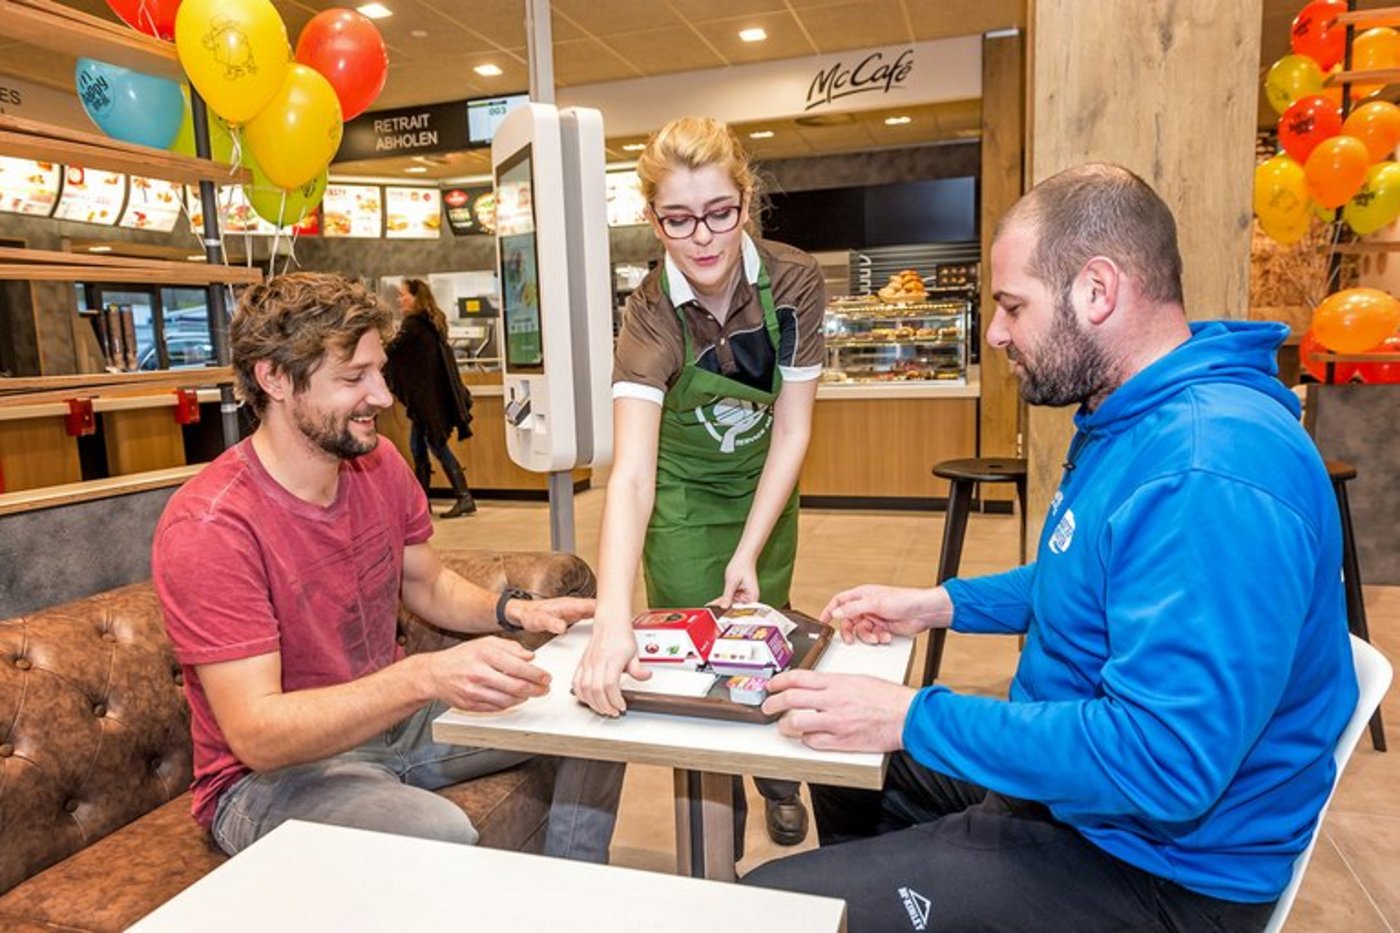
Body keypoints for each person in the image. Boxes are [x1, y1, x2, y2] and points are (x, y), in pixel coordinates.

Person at [742, 163, 1357, 932]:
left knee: (766, 906)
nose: (996, 332)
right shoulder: (1131, 416)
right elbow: (1088, 575)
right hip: (1083, 803)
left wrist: (911, 714)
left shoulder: (1211, 468)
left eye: (1012, 305)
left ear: (1097, 291)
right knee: (848, 768)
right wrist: (939, 604)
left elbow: (1163, 763)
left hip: (1157, 871)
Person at [152, 272, 622, 862]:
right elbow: (258, 733)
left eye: (378, 370)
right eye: (354, 378)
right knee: (437, 834)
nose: (382, 395)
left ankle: (572, 895)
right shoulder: (211, 526)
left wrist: (516, 610)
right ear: (273, 378)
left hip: (394, 726)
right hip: (268, 778)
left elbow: (428, 584)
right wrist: (421, 677)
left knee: (600, 708)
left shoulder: (379, 464)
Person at [572, 116, 826, 847]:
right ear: (653, 219)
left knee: (763, 637)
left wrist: (748, 549)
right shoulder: (649, 316)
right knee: (694, 661)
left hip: (763, 489)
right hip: (680, 499)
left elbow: (793, 429)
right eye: (678, 219)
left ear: (745, 201)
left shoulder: (794, 280)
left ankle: (778, 775)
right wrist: (613, 615)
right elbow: (632, 477)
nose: (704, 237)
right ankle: (720, 845)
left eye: (720, 212)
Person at [385, 278, 477, 518]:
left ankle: (458, 498)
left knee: (434, 446)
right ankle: (426, 502)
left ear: (415, 297)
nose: (399, 299)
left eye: (403, 294)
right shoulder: (431, 323)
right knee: (421, 448)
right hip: (430, 401)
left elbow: (392, 354)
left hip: (425, 402)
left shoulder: (414, 326)